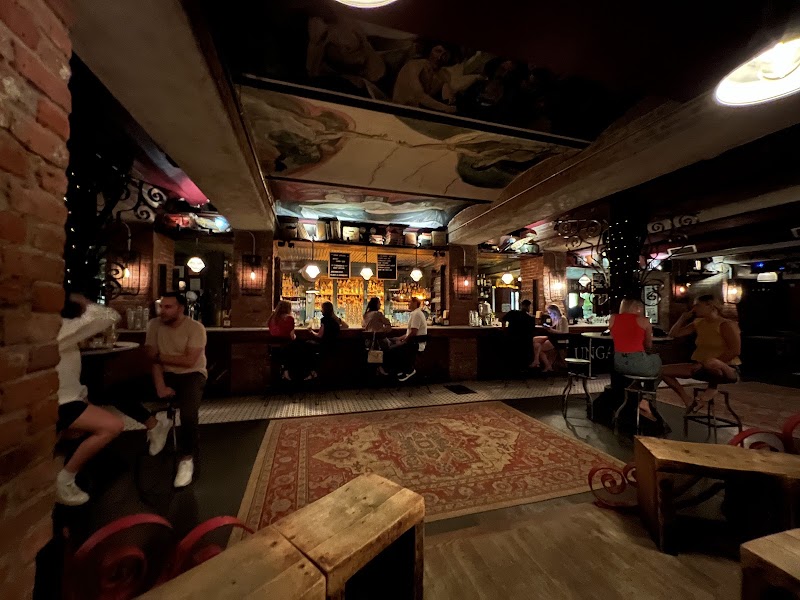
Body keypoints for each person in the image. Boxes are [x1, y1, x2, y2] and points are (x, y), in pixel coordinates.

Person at [116, 292, 207, 488]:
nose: (162, 311)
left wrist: (159, 356)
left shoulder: (195, 328)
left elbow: (189, 361)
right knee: (118, 391)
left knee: (189, 413)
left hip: (192, 374)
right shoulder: (154, 325)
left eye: (168, 307)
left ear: (180, 309)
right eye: (161, 306)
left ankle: (186, 459)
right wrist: (160, 386)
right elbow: (152, 359)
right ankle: (154, 424)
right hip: (165, 374)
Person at [55, 295, 125, 506]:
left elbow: (67, 372)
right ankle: (65, 480)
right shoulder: (62, 329)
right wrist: (82, 299)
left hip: (69, 398)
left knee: (79, 431)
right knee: (112, 426)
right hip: (62, 403)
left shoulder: (63, 331)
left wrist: (82, 393)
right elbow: (109, 315)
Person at [662, 295, 742, 412]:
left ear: (711, 306)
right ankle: (688, 401)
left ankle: (712, 388)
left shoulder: (725, 324)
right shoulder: (698, 323)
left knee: (711, 362)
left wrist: (706, 364)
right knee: (661, 371)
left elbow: (735, 350)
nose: (694, 309)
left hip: (727, 368)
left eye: (698, 305)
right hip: (701, 366)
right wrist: (682, 318)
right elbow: (673, 334)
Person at [609, 298, 662, 421]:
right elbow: (648, 345)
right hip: (637, 361)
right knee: (659, 366)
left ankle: (635, 385)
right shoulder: (644, 321)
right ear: (637, 307)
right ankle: (645, 398)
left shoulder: (613, 318)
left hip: (619, 363)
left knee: (649, 367)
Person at [383, 297, 427, 381]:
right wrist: (399, 338)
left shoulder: (416, 314)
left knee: (391, 350)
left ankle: (408, 370)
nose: (408, 304)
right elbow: (410, 333)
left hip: (415, 344)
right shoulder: (416, 313)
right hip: (413, 342)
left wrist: (404, 342)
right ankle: (400, 369)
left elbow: (413, 332)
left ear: (415, 303)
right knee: (393, 343)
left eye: (410, 302)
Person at [532, 304, 568, 371]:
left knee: (540, 349)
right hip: (553, 336)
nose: (549, 314)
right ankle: (536, 360)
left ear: (555, 312)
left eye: (550, 313)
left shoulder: (562, 319)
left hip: (559, 339)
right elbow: (554, 329)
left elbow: (563, 332)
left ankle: (547, 365)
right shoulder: (555, 318)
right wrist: (549, 328)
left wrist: (551, 329)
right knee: (535, 339)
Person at [502, 299, 535, 370]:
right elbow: (531, 330)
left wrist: (504, 329)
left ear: (521, 305)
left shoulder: (513, 313)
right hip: (524, 341)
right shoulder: (530, 318)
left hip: (511, 338)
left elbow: (503, 319)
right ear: (528, 307)